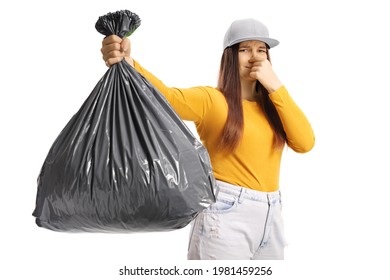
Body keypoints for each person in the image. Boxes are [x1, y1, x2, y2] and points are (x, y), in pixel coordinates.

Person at [100, 18, 315, 260]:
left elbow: (305, 143)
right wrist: (129, 63)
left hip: (271, 215)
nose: (254, 57)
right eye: (244, 49)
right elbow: (169, 98)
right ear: (230, 57)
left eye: (261, 50)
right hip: (226, 214)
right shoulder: (213, 101)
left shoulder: (275, 107)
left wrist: (275, 86)